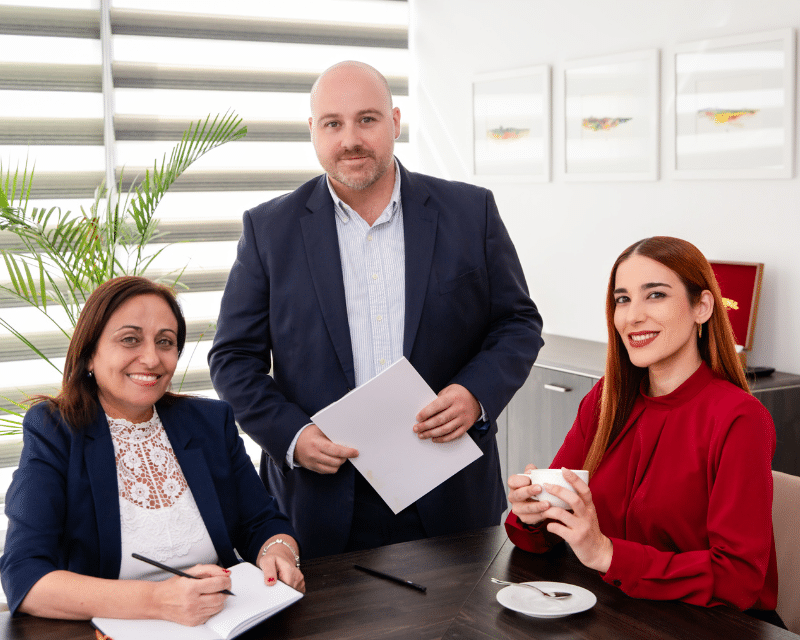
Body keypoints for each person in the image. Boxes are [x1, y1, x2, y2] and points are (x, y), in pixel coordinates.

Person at [208, 60, 543, 559]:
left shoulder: (470, 212)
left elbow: (517, 323)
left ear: (395, 122)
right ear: (313, 130)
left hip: (449, 490)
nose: (350, 140)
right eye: (332, 123)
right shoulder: (268, 230)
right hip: (321, 498)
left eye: (367, 119)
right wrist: (293, 436)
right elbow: (233, 358)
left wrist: (475, 394)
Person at [506, 236, 783, 626]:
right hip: (618, 611)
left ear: (702, 307)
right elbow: (559, 523)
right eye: (622, 299)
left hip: (712, 626)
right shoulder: (607, 398)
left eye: (655, 295)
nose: (632, 316)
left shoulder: (740, 418)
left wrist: (606, 554)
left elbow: (738, 578)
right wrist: (533, 514)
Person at [0, 276, 305, 623]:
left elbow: (262, 523)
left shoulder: (209, 422)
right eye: (130, 339)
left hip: (224, 621)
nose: (151, 358)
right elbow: (24, 576)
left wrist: (279, 553)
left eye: (165, 342)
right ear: (89, 354)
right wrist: (159, 601)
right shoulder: (54, 429)